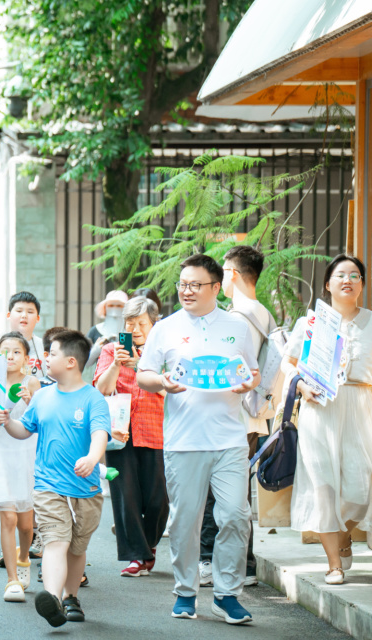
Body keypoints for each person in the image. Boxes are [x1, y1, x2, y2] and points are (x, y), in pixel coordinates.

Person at [137, 254, 260, 625]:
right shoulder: (166, 328)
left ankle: (226, 594)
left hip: (230, 439)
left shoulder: (237, 327)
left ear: (216, 287)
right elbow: (144, 373)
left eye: (195, 284)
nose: (186, 291)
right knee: (186, 520)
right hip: (184, 440)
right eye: (182, 284)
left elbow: (251, 371)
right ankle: (186, 592)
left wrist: (248, 383)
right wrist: (162, 382)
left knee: (236, 516)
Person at [0, 330, 112, 628]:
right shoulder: (43, 396)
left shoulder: (93, 398)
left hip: (85, 488)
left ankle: (70, 596)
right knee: (55, 541)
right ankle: (52, 597)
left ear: (71, 361)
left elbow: (100, 433)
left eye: (53, 353)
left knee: (77, 546)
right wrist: (8, 421)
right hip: (47, 485)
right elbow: (25, 430)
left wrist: (92, 457)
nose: (46, 358)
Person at [282, 254, 372, 585]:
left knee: (359, 490)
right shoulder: (311, 324)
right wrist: (301, 385)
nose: (347, 280)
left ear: (362, 284)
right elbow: (287, 363)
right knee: (323, 488)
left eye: (355, 275)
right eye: (340, 275)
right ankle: (333, 563)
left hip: (361, 411)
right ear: (327, 284)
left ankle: (345, 536)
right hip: (318, 410)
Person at [199, 246, 271, 588]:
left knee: (220, 490)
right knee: (237, 491)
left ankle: (212, 559)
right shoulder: (264, 314)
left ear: (233, 275)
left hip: (233, 414)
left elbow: (229, 368)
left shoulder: (236, 317)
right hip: (254, 415)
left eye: (224, 272)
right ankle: (246, 563)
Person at [93, 296, 167, 577]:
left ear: (154, 324)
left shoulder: (162, 353)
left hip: (157, 431)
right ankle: (138, 556)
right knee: (126, 496)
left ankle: (149, 544)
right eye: (129, 323)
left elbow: (168, 389)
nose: (135, 329)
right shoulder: (111, 350)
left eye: (141, 323)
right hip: (119, 433)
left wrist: (138, 366)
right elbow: (101, 388)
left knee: (159, 498)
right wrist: (116, 364)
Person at [0, 332, 42, 603]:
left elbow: (42, 419)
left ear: (26, 358)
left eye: (16, 352)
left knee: (26, 524)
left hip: (26, 453)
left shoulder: (33, 383)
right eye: (5, 352)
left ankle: (24, 558)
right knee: (8, 518)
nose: (10, 357)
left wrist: (30, 402)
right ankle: (11, 579)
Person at [0, 292, 47, 392]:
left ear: (37, 318)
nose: (24, 315)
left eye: (30, 312)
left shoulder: (44, 346)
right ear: (8, 315)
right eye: (19, 311)